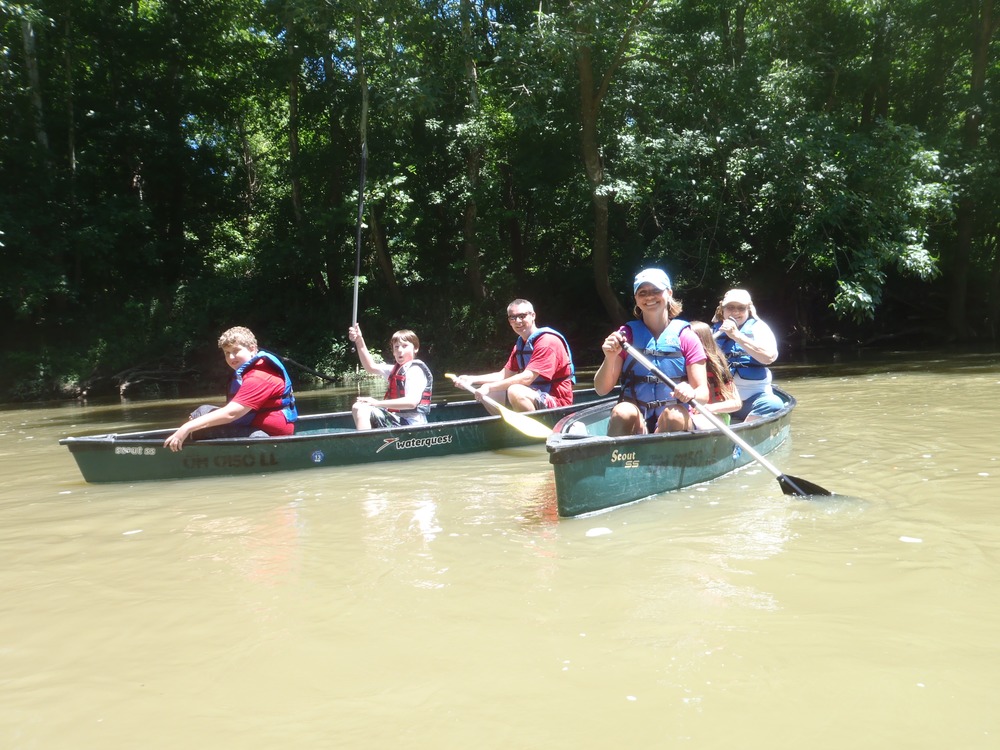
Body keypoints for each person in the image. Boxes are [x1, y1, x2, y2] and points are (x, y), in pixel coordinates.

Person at [594, 268, 709, 436]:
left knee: (673, 416)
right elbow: (601, 389)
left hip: (674, 418)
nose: (649, 297)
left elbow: (703, 394)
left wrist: (691, 392)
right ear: (636, 299)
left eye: (656, 291)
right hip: (638, 419)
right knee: (622, 412)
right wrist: (610, 358)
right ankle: (618, 458)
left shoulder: (687, 337)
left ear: (669, 293)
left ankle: (669, 456)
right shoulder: (626, 336)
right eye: (642, 292)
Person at [163, 326, 297, 451]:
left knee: (199, 429)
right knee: (203, 411)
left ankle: (185, 448)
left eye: (236, 351)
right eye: (227, 353)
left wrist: (186, 428)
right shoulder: (251, 371)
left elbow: (231, 414)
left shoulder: (259, 376)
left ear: (252, 349)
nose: (231, 357)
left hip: (269, 436)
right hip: (255, 427)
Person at [453, 299, 575, 412]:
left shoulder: (547, 341)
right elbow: (504, 375)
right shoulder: (521, 345)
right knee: (490, 394)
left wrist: (490, 387)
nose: (517, 321)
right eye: (513, 317)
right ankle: (508, 430)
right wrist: (472, 379)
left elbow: (527, 378)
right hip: (536, 394)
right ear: (509, 321)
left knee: (515, 390)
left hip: (558, 403)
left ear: (533, 316)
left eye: (522, 316)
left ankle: (536, 428)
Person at [711, 288, 783, 422]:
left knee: (774, 403)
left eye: (741, 308)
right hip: (723, 399)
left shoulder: (759, 328)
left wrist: (736, 336)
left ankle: (745, 429)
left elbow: (769, 358)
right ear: (722, 310)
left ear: (749, 309)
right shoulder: (712, 333)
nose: (736, 312)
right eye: (730, 308)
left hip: (754, 397)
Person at [347, 324, 433, 430]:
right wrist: (359, 340)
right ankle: (368, 441)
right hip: (397, 421)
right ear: (393, 351)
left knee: (361, 409)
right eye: (396, 347)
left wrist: (377, 403)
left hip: (412, 425)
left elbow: (411, 402)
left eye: (405, 346)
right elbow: (370, 367)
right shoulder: (395, 370)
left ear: (415, 349)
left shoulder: (415, 371)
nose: (399, 350)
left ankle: (366, 444)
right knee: (359, 406)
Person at [687, 320, 742, 429]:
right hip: (688, 415)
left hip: (715, 415)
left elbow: (736, 403)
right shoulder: (679, 364)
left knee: (695, 422)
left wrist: (709, 408)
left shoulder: (717, 368)